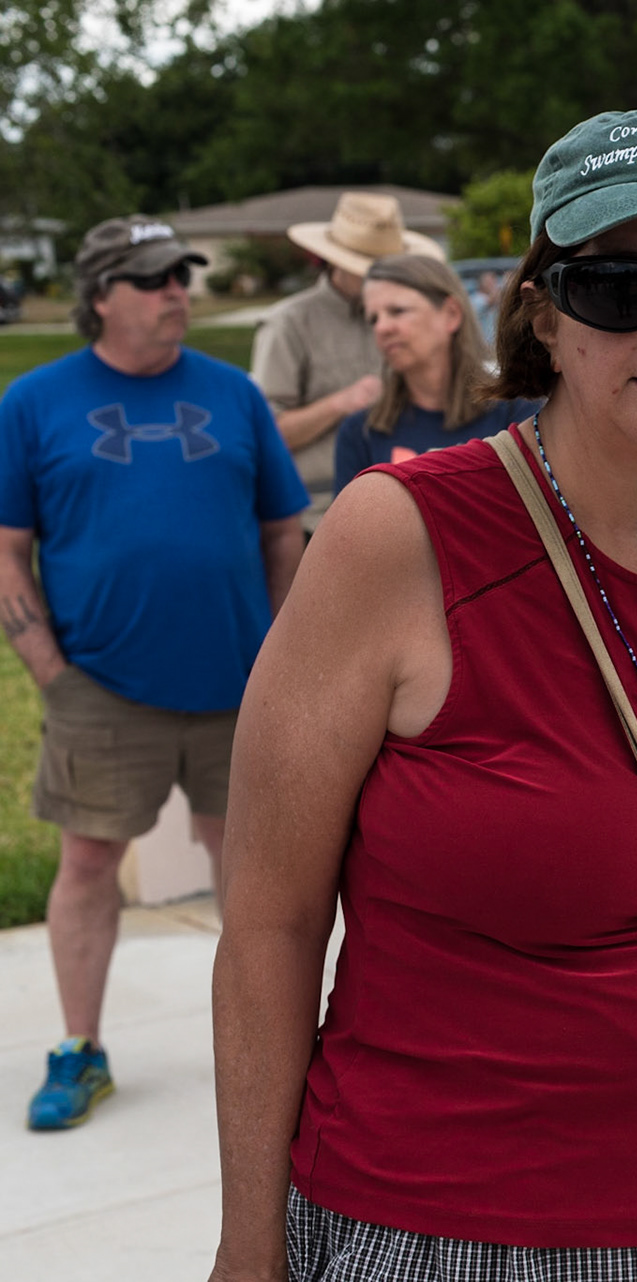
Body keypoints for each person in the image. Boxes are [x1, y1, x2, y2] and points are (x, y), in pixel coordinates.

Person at [208, 107, 637, 1279]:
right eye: (616, 285)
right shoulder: (399, 538)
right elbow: (268, 922)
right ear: (544, 312)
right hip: (451, 1233)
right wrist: (250, 1245)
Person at [0, 216, 307, 1132]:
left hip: (239, 685)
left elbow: (281, 529)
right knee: (90, 861)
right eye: (151, 278)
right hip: (100, 686)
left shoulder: (232, 394)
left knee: (249, 871)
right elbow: (9, 549)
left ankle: (274, 1049)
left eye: (181, 273)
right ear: (100, 298)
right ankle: (80, 1050)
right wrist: (48, 666)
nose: (176, 289)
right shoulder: (34, 401)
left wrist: (285, 652)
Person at [251, 191, 446, 531]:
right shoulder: (289, 323)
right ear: (335, 260)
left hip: (410, 509)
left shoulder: (414, 318)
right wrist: (341, 403)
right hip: (319, 516)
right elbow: (266, 434)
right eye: (371, 270)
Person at [332, 254, 542, 486]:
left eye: (397, 311)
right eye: (373, 318)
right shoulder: (361, 432)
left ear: (451, 314)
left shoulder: (516, 413)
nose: (381, 328)